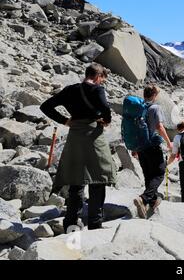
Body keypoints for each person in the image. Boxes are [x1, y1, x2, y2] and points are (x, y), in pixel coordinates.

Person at [40, 62, 116, 232]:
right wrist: (107, 120)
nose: (101, 83)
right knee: (98, 178)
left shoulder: (70, 90)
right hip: (94, 136)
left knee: (76, 180)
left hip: (75, 135)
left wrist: (65, 121)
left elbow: (45, 106)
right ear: (98, 76)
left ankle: (71, 224)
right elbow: (105, 108)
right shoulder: (97, 90)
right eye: (101, 80)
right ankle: (95, 224)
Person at [132, 85, 173, 219]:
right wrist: (168, 142)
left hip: (140, 146)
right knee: (160, 173)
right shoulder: (155, 108)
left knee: (149, 175)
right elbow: (159, 126)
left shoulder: (138, 108)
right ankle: (143, 199)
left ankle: (152, 200)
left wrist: (134, 148)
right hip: (152, 146)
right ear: (154, 95)